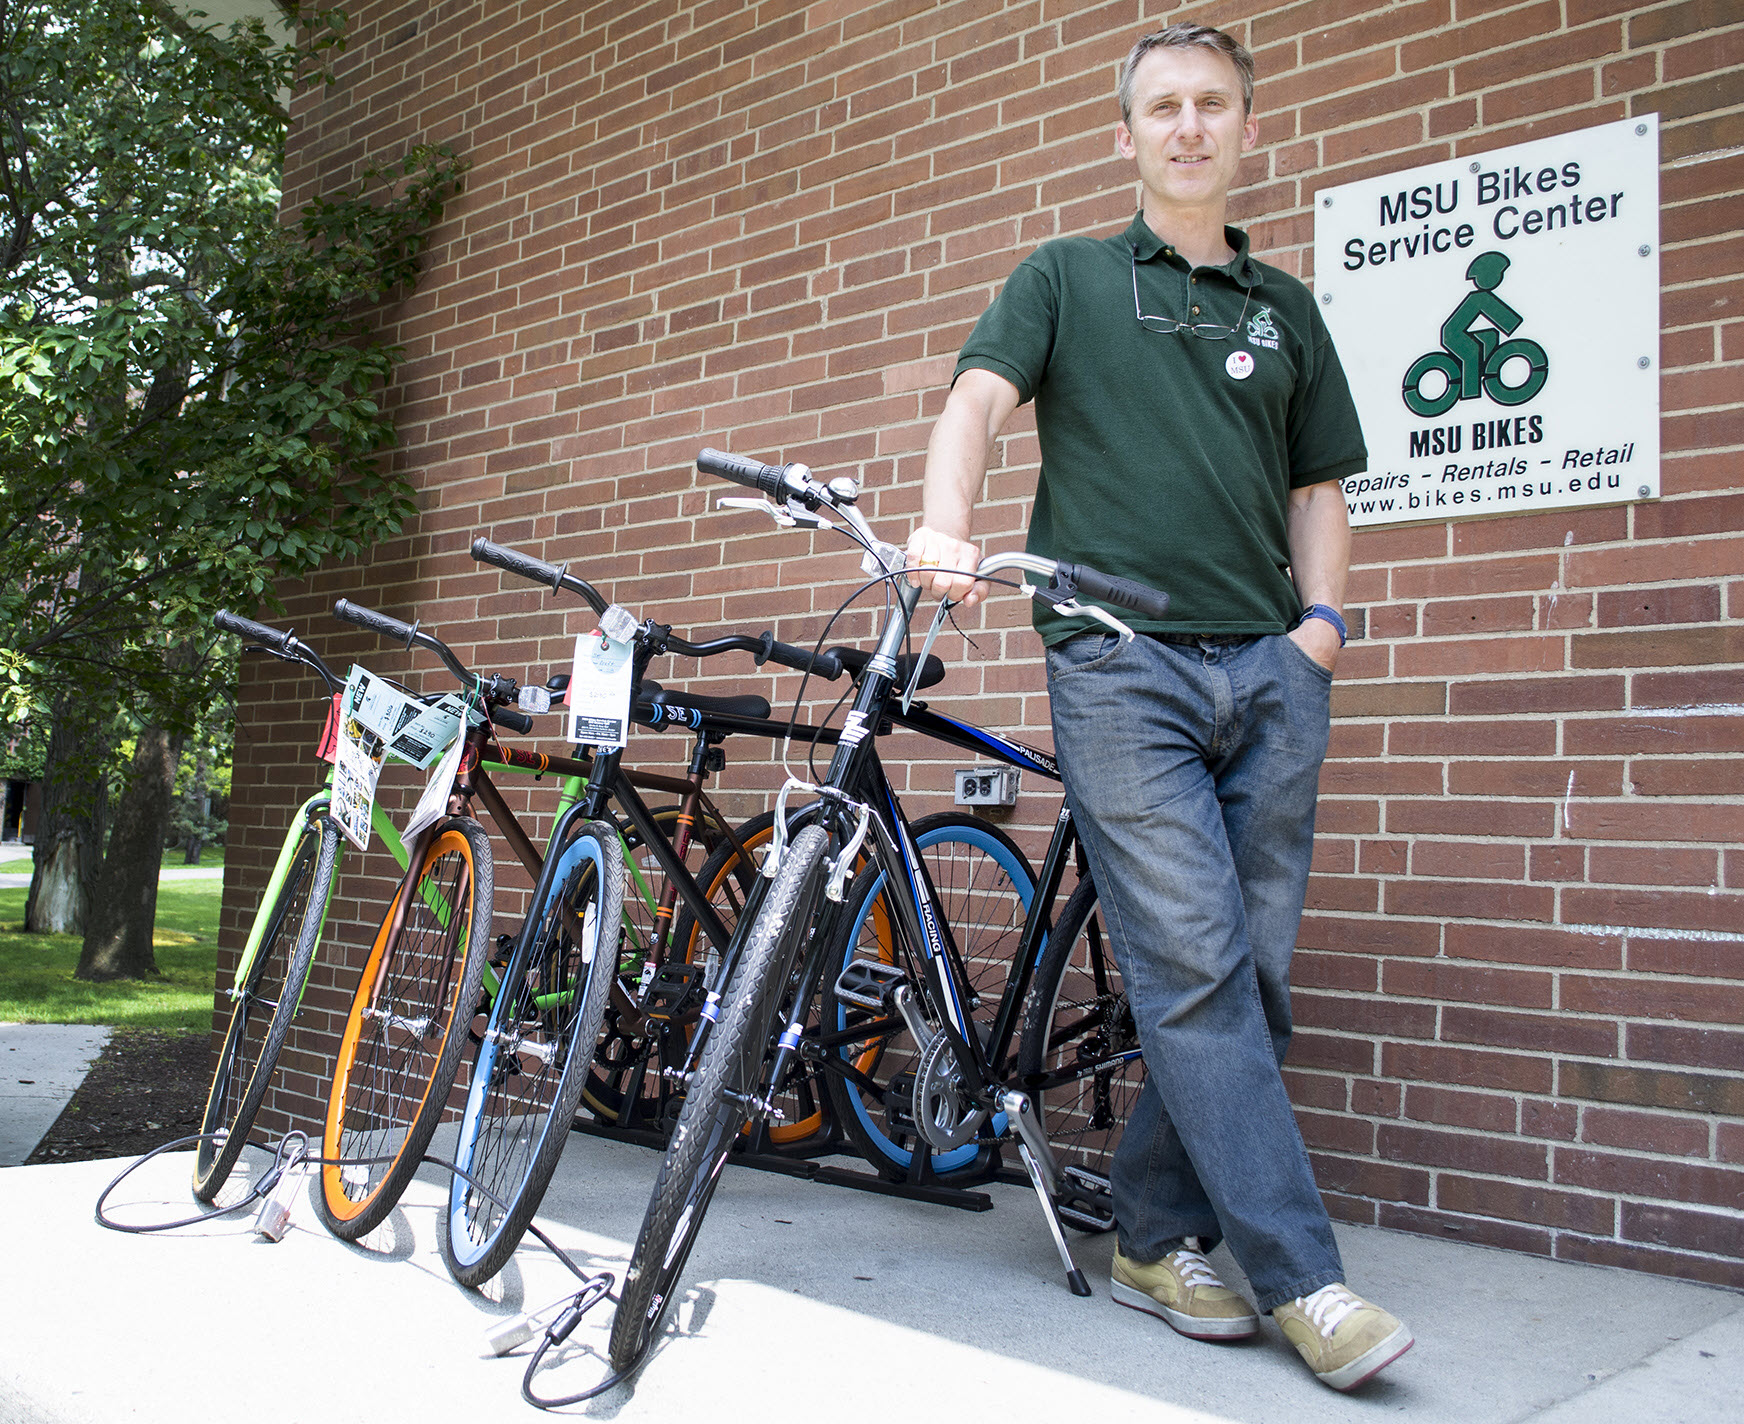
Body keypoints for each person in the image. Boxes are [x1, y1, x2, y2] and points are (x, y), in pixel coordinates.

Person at [905, 22, 1412, 1393]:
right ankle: (1305, 1280)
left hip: (1270, 670)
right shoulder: (1067, 277)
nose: (1188, 126)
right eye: (1163, 107)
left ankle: (1152, 1234)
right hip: (1122, 666)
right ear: (1125, 135)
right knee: (1197, 967)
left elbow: (1320, 489)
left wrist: (1320, 634)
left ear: (1249, 130)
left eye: (1213, 105)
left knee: (1252, 980)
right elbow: (975, 404)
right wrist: (945, 526)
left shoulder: (1285, 310)